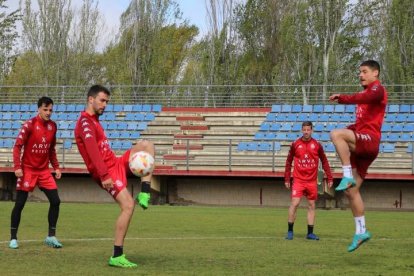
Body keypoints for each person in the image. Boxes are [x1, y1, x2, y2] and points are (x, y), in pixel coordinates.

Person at [74, 84, 155, 268]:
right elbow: (93, 151)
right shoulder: (85, 122)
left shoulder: (95, 121)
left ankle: (145, 191)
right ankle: (117, 255)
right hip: (105, 172)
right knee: (127, 205)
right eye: (102, 100)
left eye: (107, 102)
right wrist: (104, 175)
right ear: (91, 99)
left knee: (147, 146)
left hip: (115, 163)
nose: (105, 105)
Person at [329, 60, 387, 252]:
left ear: (375, 73)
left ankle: (346, 174)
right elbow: (362, 122)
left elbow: (367, 101)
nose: (360, 75)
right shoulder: (365, 94)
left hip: (369, 141)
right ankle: (361, 231)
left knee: (336, 134)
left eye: (364, 71)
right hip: (364, 145)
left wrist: (343, 98)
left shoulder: (377, 89)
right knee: (351, 192)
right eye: (359, 72)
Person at [9, 96, 63, 249]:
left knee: (56, 201)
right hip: (28, 170)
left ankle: (51, 237)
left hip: (44, 171)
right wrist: (17, 167)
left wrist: (56, 167)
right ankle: (13, 238)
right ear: (39, 109)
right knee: (20, 204)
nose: (48, 113)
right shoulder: (29, 125)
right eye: (45, 109)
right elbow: (17, 146)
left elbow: (51, 149)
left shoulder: (53, 126)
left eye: (50, 110)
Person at [284, 121, 333, 241]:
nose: (306, 132)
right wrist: (287, 178)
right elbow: (289, 161)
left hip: (311, 181)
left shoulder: (317, 145)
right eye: (304, 129)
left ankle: (310, 233)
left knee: (311, 205)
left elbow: (325, 161)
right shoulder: (295, 144)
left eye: (308, 130)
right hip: (298, 180)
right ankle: (290, 231)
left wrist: (330, 177)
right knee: (295, 203)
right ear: (302, 130)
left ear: (311, 131)